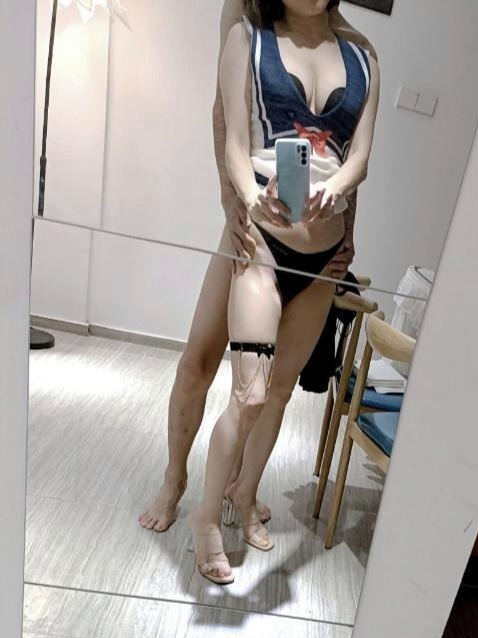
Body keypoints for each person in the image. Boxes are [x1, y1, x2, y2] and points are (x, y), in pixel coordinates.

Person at [138, 0, 378, 536]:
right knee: (200, 360)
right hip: (253, 227)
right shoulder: (245, 23)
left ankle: (239, 489)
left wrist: (349, 230)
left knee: (275, 388)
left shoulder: (359, 52)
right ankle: (175, 479)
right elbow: (224, 116)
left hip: (318, 241)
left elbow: (345, 154)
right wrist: (236, 204)